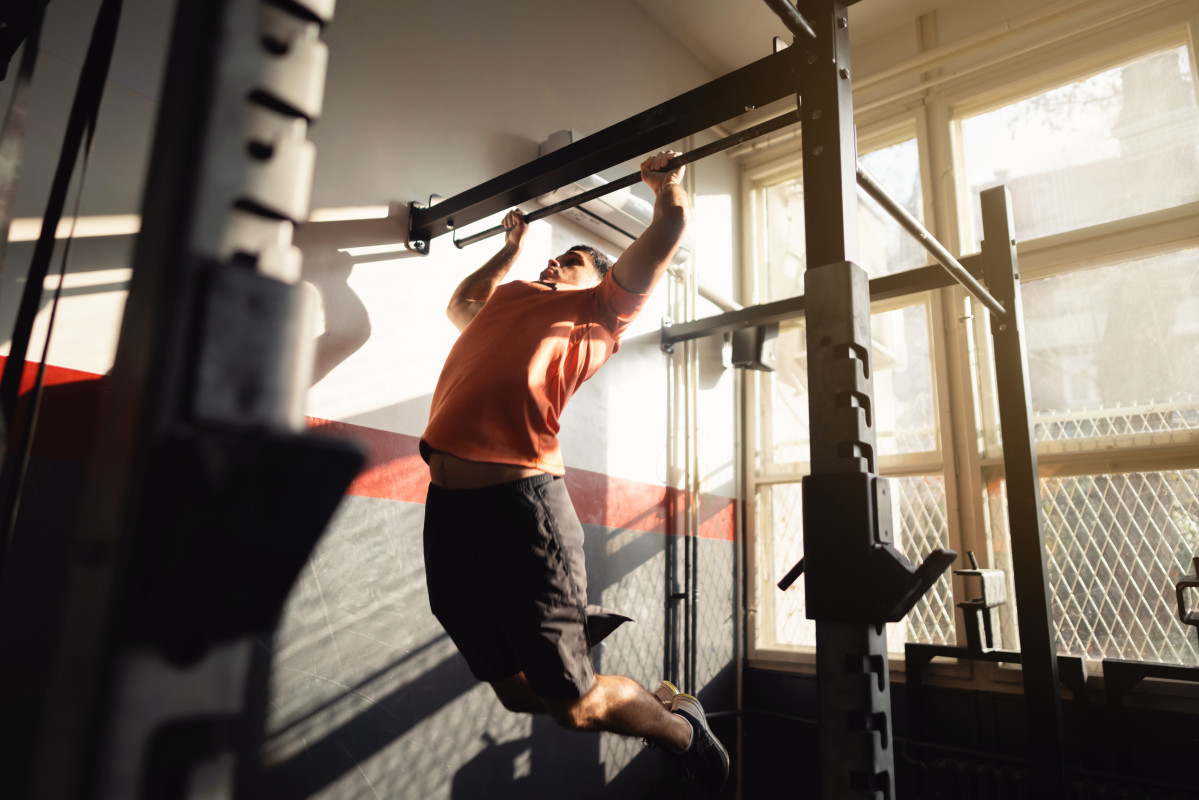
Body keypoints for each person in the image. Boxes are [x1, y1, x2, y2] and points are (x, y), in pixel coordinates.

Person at [420, 151, 729, 792]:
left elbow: (668, 231)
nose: (556, 262)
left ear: (598, 278)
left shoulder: (598, 314)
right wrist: (512, 248)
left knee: (575, 704)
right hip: (448, 512)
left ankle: (682, 728)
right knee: (513, 693)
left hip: (521, 508)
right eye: (555, 258)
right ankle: (564, 625)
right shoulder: (509, 299)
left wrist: (665, 186)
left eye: (573, 260)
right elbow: (463, 301)